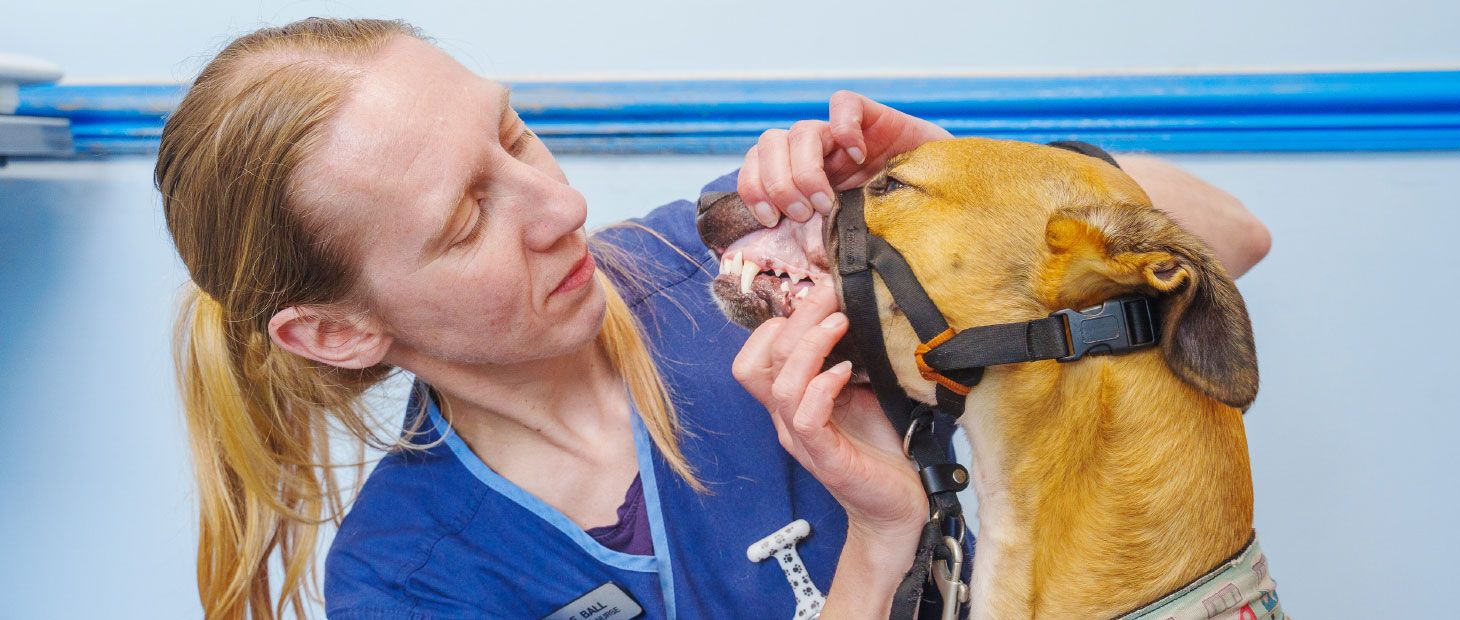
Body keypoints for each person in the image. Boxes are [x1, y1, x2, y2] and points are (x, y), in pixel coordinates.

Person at [156, 17, 1271, 620]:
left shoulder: (725, 270)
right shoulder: (413, 581)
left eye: (513, 135)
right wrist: (877, 546)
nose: (563, 206)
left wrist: (940, 173)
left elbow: (1228, 239)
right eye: (465, 220)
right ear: (338, 331)